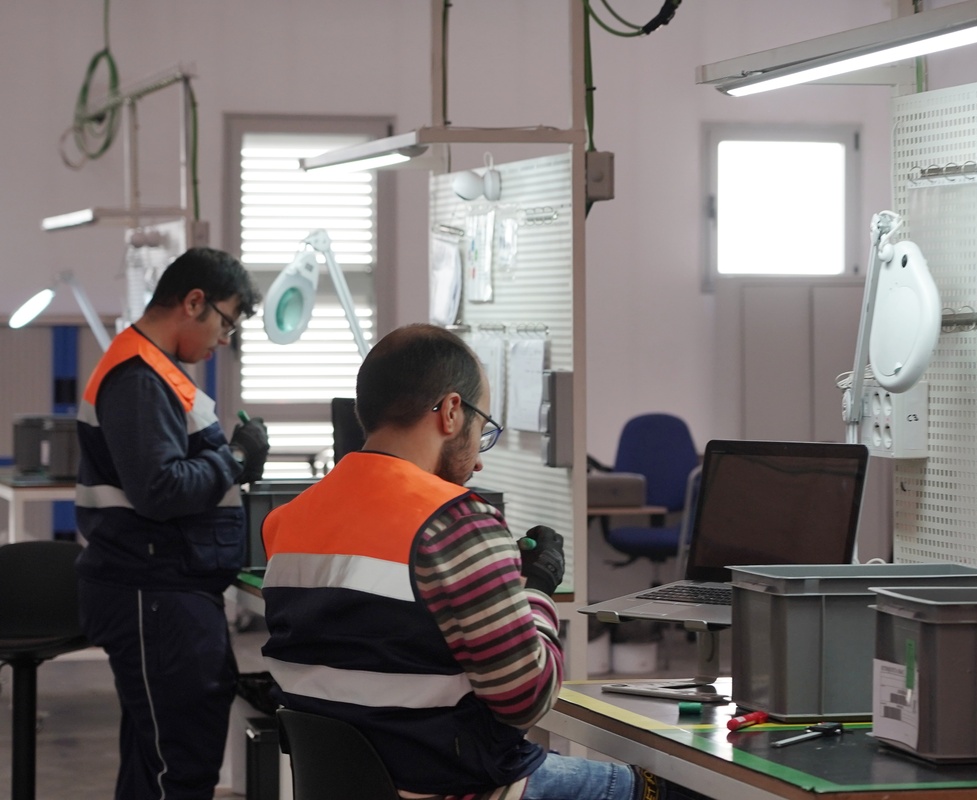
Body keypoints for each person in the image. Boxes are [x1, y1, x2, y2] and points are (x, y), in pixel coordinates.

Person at [260, 323, 707, 800]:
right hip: (459, 787)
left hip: (351, 785)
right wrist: (536, 589)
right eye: (482, 428)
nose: (478, 463)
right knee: (683, 792)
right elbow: (528, 698)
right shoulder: (455, 522)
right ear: (452, 412)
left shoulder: (288, 521)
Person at [75, 247, 270, 800]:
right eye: (227, 322)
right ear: (194, 302)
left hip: (164, 588)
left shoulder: (157, 371)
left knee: (156, 759)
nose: (224, 339)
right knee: (178, 765)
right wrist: (232, 459)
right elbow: (159, 489)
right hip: (152, 590)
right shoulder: (139, 378)